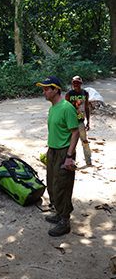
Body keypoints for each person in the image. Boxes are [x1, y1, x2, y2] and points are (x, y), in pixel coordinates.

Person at [36, 76, 80, 237]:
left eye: (47, 89)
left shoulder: (66, 108)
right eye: (43, 89)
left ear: (56, 90)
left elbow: (75, 132)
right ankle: (59, 212)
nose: (44, 92)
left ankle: (65, 221)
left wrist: (69, 156)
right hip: (53, 150)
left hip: (64, 152)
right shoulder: (53, 107)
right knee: (52, 184)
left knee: (62, 185)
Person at [65, 76, 92, 165]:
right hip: (70, 122)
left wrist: (88, 121)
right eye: (74, 83)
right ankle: (71, 161)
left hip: (80, 120)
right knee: (71, 143)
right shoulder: (69, 94)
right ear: (72, 84)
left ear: (81, 84)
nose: (76, 84)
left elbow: (86, 107)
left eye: (78, 83)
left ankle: (88, 161)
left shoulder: (85, 93)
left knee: (84, 141)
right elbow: (64, 108)